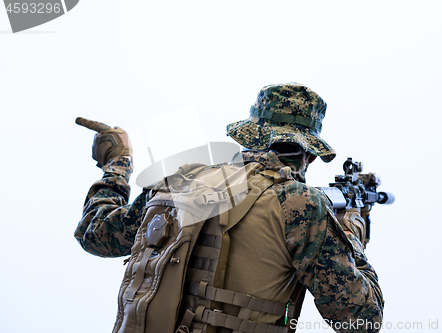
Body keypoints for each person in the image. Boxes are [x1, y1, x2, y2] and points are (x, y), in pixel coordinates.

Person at [75, 83, 384, 333]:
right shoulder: (300, 206)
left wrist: (118, 165)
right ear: (310, 155)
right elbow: (361, 321)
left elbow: (95, 232)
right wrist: (349, 233)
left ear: (249, 136)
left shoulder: (180, 181)